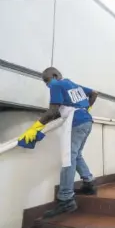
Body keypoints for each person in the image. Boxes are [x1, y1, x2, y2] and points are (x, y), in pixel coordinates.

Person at [18, 67, 98, 218]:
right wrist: (87, 108)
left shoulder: (56, 85)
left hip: (76, 122)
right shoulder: (73, 85)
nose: (47, 85)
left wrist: (35, 127)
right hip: (86, 122)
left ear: (54, 76)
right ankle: (89, 183)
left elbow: (53, 111)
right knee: (76, 154)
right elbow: (94, 93)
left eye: (46, 80)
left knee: (68, 158)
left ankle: (66, 198)